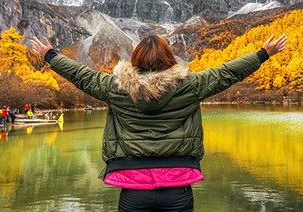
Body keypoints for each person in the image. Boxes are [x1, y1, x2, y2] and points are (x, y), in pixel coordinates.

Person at [31, 34, 287, 211]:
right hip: (178, 184)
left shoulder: (115, 87)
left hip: (132, 186)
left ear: (136, 60)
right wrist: (263, 54)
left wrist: (50, 55)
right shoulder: (191, 86)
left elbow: (80, 74)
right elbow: (228, 72)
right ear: (169, 58)